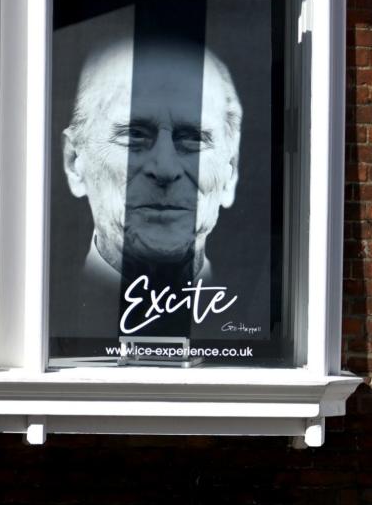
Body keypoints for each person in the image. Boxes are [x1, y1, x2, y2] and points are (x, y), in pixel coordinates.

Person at [56, 33, 243, 336]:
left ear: (230, 172)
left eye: (193, 138)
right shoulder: (54, 312)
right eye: (134, 135)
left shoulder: (247, 310)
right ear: (75, 162)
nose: (165, 169)